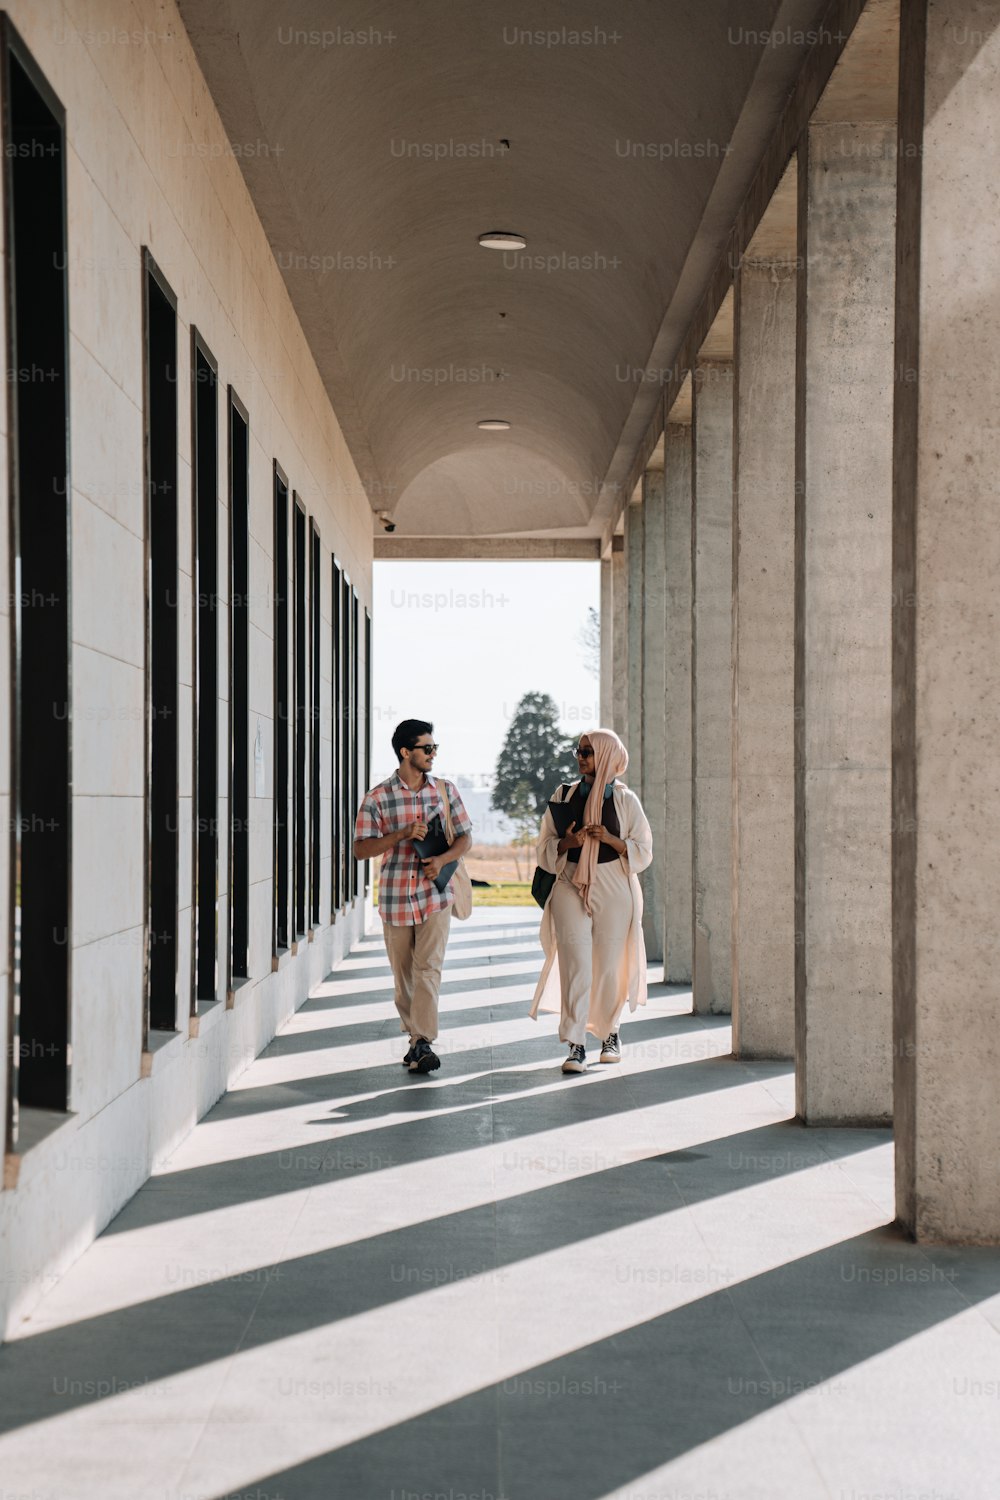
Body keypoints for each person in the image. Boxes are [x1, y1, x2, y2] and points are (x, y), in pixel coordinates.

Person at [353, 719, 473, 1074]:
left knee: (428, 969)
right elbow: (360, 850)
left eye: (434, 747)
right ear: (406, 752)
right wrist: (401, 834)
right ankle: (415, 1039)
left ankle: (423, 1039)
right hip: (394, 896)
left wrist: (442, 859)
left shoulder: (445, 791)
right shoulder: (377, 797)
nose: (433, 754)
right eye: (427, 748)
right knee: (403, 976)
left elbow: (465, 837)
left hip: (435, 895)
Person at [530, 728, 653, 1073]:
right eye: (579, 751)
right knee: (575, 962)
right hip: (569, 880)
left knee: (610, 963)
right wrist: (568, 843)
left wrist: (612, 840)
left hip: (614, 882)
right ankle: (575, 1043)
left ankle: (610, 1033)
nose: (582, 757)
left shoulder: (626, 800)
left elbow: (644, 850)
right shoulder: (564, 795)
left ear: (607, 755)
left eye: (588, 751)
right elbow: (544, 848)